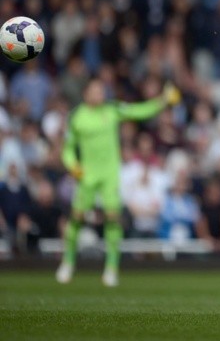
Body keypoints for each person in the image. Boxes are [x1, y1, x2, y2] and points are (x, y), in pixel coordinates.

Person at [55, 77, 181, 287]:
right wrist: (74, 166)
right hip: (87, 175)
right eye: (96, 90)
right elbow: (67, 149)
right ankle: (68, 262)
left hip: (110, 175)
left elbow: (139, 111)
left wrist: (162, 101)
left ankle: (112, 268)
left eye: (102, 90)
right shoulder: (77, 117)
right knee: (76, 218)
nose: (100, 94)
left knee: (113, 219)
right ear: (86, 94)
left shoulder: (112, 109)